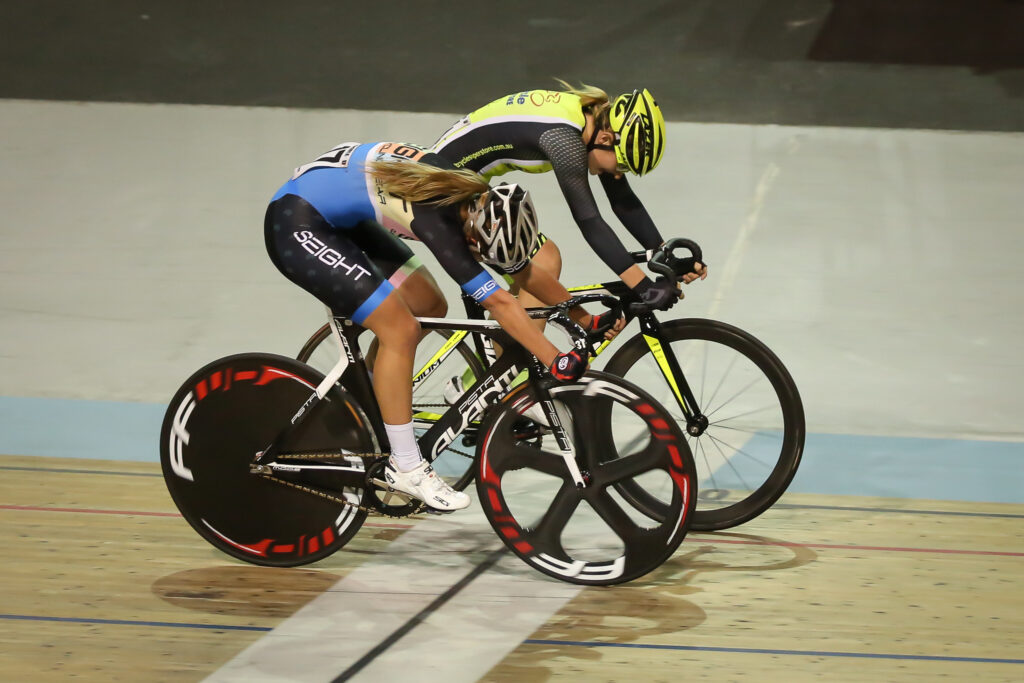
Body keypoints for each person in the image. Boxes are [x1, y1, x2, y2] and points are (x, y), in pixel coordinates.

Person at [264, 141, 596, 512]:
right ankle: (405, 466)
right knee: (400, 330)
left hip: (345, 218)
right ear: (472, 237)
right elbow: (500, 301)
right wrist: (556, 360)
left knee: (429, 306)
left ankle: (370, 410)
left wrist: (579, 318)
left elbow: (520, 272)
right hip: (298, 222)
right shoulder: (438, 219)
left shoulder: (477, 196)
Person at [429, 81, 708, 321]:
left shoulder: (591, 124)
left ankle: (500, 371)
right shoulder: (565, 140)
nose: (616, 174)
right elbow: (589, 221)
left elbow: (622, 200)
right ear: (607, 137)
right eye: (621, 166)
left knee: (532, 278)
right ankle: (515, 380)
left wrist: (664, 256)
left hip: (460, 183)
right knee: (544, 262)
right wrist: (643, 286)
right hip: (441, 193)